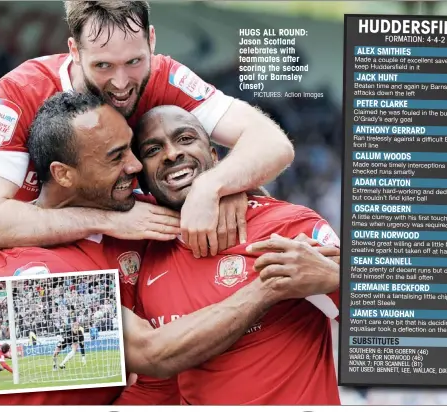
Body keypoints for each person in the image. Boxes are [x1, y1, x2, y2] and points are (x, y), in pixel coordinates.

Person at [0, 91, 338, 405]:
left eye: (134, 152)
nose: (135, 166)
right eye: (118, 155)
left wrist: (222, 187)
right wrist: (267, 286)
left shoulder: (142, 222)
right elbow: (153, 356)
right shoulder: (31, 275)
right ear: (65, 175)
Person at [0, 0, 294, 282]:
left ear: (152, 41)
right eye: (104, 66)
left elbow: (273, 143)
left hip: (102, 273)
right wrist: (106, 221)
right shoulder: (23, 91)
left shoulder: (165, 76)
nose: (122, 83)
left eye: (135, 61)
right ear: (74, 50)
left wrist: (216, 186)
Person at [118, 105, 341, 405]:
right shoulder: (146, 257)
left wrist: (334, 278)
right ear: (142, 178)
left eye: (185, 138)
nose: (171, 154)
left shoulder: (287, 226)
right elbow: (156, 388)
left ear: (214, 155)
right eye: (153, 149)